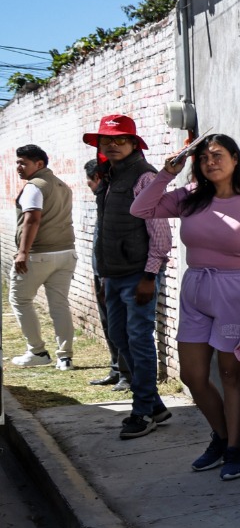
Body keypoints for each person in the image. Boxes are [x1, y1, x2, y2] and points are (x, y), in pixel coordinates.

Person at [134, 133, 240, 478]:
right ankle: (220, 438)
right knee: (192, 375)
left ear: (235, 158)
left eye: (218, 155)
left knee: (231, 374)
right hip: (195, 289)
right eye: (204, 158)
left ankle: (235, 449)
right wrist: (167, 173)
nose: (210, 162)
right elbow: (141, 208)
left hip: (236, 293)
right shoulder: (189, 196)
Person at [84, 114, 173, 438]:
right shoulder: (109, 176)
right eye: (107, 140)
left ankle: (143, 411)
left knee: (138, 339)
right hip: (114, 275)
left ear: (134, 144)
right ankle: (155, 405)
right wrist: (104, 275)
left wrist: (150, 275)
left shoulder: (144, 177)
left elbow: (160, 233)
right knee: (120, 338)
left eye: (120, 139)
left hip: (138, 275)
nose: (113, 145)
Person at [9, 144, 77, 371]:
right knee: (59, 304)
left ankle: (37, 351)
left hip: (38, 254)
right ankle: (65, 357)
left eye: (23, 163)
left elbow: (32, 220)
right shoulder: (62, 185)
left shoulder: (34, 186)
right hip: (66, 253)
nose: (18, 167)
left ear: (39, 164)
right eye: (17, 162)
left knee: (20, 300)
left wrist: (22, 252)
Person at [84, 157, 129, 390]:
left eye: (89, 181)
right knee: (108, 323)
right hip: (101, 271)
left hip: (114, 273)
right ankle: (116, 368)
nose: (89, 187)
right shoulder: (103, 199)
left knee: (120, 324)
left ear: (97, 177)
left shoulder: (116, 199)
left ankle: (127, 375)